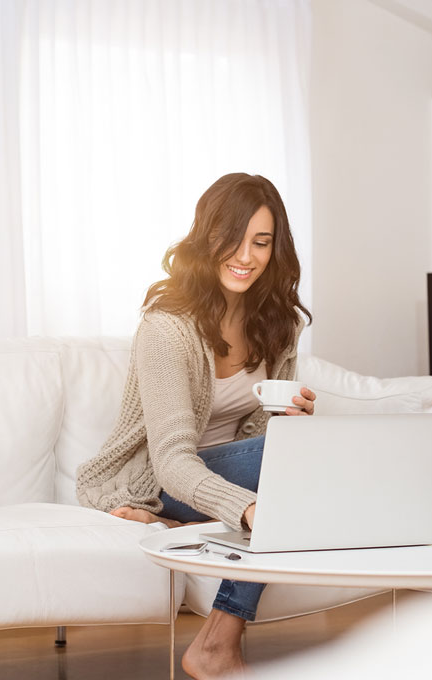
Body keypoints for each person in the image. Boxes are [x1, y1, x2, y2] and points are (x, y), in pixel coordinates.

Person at [75, 172, 315, 680]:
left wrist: (293, 426)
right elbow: (171, 460)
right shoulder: (168, 325)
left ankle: (213, 634)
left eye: (261, 242)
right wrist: (247, 507)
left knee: (302, 457)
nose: (245, 255)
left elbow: (262, 438)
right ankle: (214, 643)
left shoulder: (280, 325)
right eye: (232, 238)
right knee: (283, 473)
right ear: (206, 237)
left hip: (233, 474)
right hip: (160, 478)